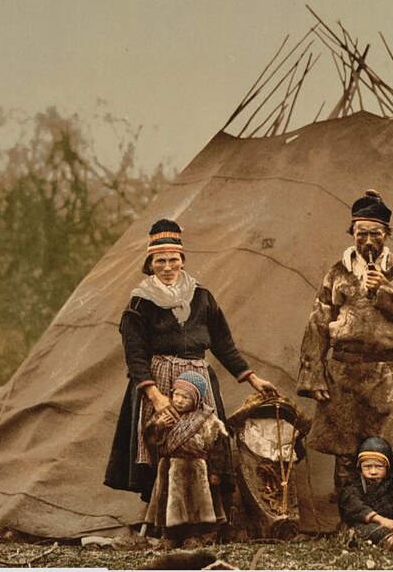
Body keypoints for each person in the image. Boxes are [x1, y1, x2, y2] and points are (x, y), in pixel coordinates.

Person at [105, 219, 278, 503]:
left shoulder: (202, 297)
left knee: (206, 443)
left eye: (173, 260)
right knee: (161, 445)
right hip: (158, 380)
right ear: (150, 264)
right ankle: (162, 519)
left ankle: (205, 517)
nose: (168, 267)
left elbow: (223, 343)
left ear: (182, 261)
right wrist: (155, 396)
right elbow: (135, 356)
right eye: (160, 261)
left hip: (199, 381)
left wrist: (252, 378)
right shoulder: (139, 303)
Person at [297, 190, 393, 492]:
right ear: (353, 234)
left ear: (387, 234)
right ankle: (352, 521)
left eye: (375, 234)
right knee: (346, 452)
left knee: (389, 450)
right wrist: (315, 376)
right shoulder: (337, 273)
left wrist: (386, 291)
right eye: (361, 234)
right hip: (344, 372)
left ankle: (390, 518)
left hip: (389, 374)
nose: (368, 241)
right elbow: (318, 323)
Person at [143, 371, 228, 548]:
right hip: (169, 467)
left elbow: (219, 447)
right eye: (176, 395)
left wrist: (216, 472)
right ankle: (170, 535)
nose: (179, 400)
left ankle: (194, 536)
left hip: (196, 469)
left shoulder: (207, 419)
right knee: (168, 503)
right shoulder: (165, 415)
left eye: (186, 397)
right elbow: (151, 442)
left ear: (196, 401)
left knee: (196, 505)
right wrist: (157, 427)